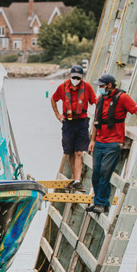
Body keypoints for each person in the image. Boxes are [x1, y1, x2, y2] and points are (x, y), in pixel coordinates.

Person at [86, 73, 137, 214]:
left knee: (105, 173)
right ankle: (101, 202)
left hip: (113, 143)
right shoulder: (100, 99)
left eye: (102, 85)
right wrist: (92, 140)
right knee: (96, 174)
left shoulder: (123, 98)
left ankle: (100, 203)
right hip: (99, 142)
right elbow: (96, 122)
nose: (100, 88)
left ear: (109, 85)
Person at [50, 65, 97, 193]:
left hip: (82, 123)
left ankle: (77, 180)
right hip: (68, 123)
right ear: (70, 76)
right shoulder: (62, 87)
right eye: (74, 77)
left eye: (78, 78)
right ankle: (74, 178)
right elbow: (53, 99)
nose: (75, 80)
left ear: (82, 78)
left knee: (79, 152)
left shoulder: (87, 87)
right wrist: (58, 115)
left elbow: (95, 102)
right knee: (69, 151)